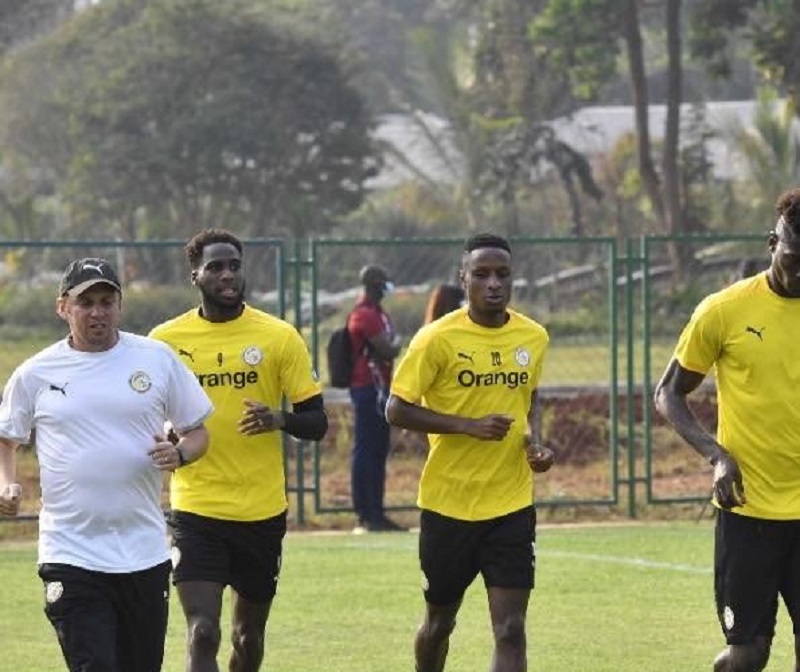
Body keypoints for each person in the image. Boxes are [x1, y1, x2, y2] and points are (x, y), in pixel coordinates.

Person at [0, 257, 212, 672]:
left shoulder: (156, 359)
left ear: (120, 305)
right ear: (63, 307)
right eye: (85, 302)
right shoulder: (35, 373)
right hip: (70, 551)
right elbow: (6, 437)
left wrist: (180, 454)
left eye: (106, 300)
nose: (97, 311)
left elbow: (198, 431)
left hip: (144, 553)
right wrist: (5, 483)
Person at [148, 228, 328, 672]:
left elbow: (317, 422)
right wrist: (168, 434)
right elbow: (146, 415)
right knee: (203, 632)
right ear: (195, 275)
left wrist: (279, 418)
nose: (227, 275)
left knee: (247, 639)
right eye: (215, 267)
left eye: (234, 265)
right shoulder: (165, 342)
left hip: (260, 512)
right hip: (197, 508)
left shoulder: (279, 337)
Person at [385, 232, 554, 672]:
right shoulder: (435, 339)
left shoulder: (533, 337)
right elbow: (396, 408)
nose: (493, 283)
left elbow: (530, 397)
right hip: (448, 506)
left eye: (502, 274)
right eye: (482, 274)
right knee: (440, 623)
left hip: (511, 504)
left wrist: (534, 442)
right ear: (464, 280)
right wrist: (466, 427)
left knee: (510, 629)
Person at [654, 186, 800, 672]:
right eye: (794, 257)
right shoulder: (723, 310)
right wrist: (716, 455)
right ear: (772, 244)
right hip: (749, 511)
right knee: (745, 656)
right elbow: (669, 393)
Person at [347, 263, 404, 533]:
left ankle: (377, 511)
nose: (387, 287)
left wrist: (393, 344)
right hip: (367, 388)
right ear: (374, 285)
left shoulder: (379, 313)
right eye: (383, 283)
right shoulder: (364, 314)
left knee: (378, 450)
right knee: (367, 449)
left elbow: (389, 345)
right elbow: (388, 347)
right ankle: (366, 512)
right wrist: (395, 344)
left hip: (381, 388)